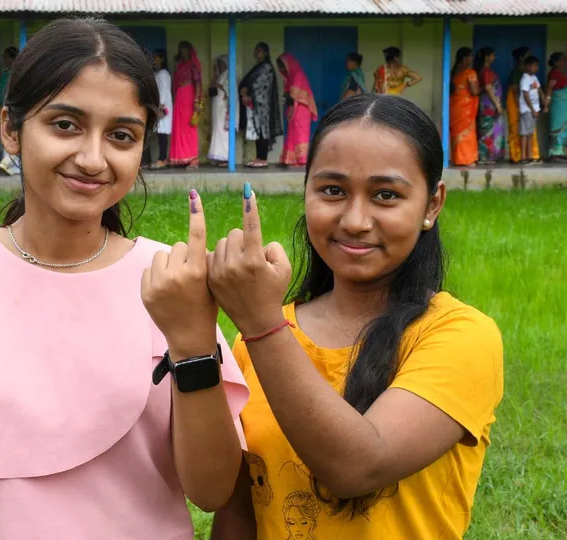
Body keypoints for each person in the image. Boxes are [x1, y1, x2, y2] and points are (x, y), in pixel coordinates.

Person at [0, 18, 248, 539]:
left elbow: (213, 490)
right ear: (11, 129)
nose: (92, 157)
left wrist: (193, 343)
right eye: (65, 125)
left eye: (121, 135)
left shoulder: (169, 281)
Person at [208, 94, 503, 539]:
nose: (355, 220)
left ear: (432, 204)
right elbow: (239, 511)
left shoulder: (461, 336)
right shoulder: (260, 342)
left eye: (386, 195)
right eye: (333, 191)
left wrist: (261, 324)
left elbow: (359, 466)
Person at [239, 42, 282, 168]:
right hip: (256, 106)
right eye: (256, 50)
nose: (256, 53)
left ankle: (263, 159)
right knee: (258, 132)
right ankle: (259, 157)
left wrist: (248, 91)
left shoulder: (266, 67)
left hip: (263, 107)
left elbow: (260, 85)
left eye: (259, 50)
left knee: (263, 132)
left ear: (265, 53)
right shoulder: (258, 66)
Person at [277, 53, 318, 167]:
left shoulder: (298, 76)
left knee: (300, 134)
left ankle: (302, 159)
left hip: (302, 111)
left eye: (282, 66)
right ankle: (289, 159)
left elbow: (294, 93)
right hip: (294, 110)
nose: (281, 69)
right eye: (280, 67)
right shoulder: (290, 78)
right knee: (291, 134)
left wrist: (288, 95)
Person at [169, 41, 202, 170]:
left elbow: (198, 84)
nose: (182, 52)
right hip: (179, 98)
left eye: (184, 49)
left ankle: (193, 159)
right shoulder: (181, 65)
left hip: (189, 98)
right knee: (179, 127)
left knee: (189, 128)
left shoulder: (193, 66)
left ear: (189, 50)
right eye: (180, 49)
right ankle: (181, 158)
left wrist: (197, 101)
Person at [506, 47, 540, 164]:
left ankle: (529, 155)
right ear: (521, 58)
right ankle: (517, 156)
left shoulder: (531, 76)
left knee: (528, 132)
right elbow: (517, 92)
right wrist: (521, 106)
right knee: (519, 130)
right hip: (519, 106)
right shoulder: (518, 73)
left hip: (527, 106)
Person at [545, 52, 567, 161]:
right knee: (558, 128)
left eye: (565, 60)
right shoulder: (554, 74)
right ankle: (556, 153)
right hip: (559, 107)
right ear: (555, 62)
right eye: (561, 60)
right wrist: (546, 102)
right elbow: (550, 88)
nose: (564, 62)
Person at [450, 47, 480, 167]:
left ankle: (457, 158)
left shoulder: (454, 71)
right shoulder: (470, 73)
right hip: (466, 108)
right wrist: (482, 88)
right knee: (468, 132)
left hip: (455, 106)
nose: (472, 59)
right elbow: (474, 91)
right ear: (464, 58)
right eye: (470, 56)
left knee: (457, 132)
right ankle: (467, 159)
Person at [475, 47, 505, 164]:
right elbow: (488, 88)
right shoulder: (486, 71)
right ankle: (484, 157)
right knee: (487, 130)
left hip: (490, 105)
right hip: (489, 105)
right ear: (487, 57)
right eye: (492, 55)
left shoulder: (485, 70)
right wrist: (497, 104)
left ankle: (489, 156)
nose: (494, 58)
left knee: (491, 130)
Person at [147, 48, 172, 169]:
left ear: (162, 59)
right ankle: (159, 159)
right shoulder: (158, 73)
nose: (155, 60)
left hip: (163, 107)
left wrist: (160, 106)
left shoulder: (163, 74)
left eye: (156, 57)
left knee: (162, 134)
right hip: (160, 106)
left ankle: (162, 159)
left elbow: (163, 91)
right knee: (160, 133)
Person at [0, 46, 20, 175]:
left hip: (14, 108)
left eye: (5, 58)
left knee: (14, 135)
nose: (4, 60)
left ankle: (9, 163)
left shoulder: (18, 74)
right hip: (5, 108)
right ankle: (8, 164)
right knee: (7, 134)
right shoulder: (5, 73)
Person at [519, 56, 545, 164]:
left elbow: (539, 90)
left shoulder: (534, 77)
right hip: (527, 110)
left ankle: (530, 156)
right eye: (535, 66)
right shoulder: (525, 78)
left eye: (537, 66)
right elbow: (525, 95)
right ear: (528, 66)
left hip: (534, 109)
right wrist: (532, 109)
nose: (537, 68)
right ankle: (523, 157)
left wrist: (544, 103)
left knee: (530, 133)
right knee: (525, 133)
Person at [208, 55, 229, 165]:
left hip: (224, 107)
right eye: (218, 64)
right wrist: (214, 76)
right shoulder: (220, 77)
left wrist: (218, 84)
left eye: (221, 64)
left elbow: (228, 91)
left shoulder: (229, 76)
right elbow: (211, 91)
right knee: (217, 130)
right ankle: (219, 156)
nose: (220, 66)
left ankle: (226, 157)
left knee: (223, 132)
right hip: (217, 106)